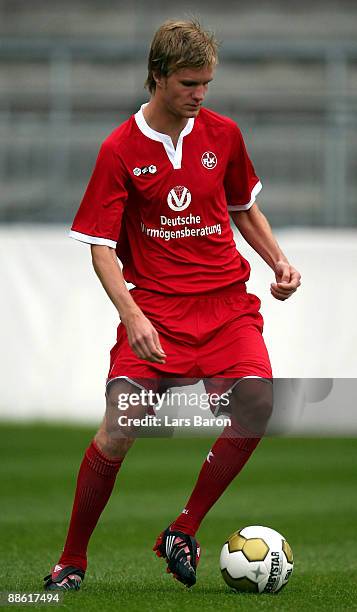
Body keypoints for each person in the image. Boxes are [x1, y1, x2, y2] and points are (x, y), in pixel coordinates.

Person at [44, 19, 301, 591]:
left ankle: (184, 527)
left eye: (207, 83)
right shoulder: (118, 150)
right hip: (158, 311)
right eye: (189, 83)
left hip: (227, 306)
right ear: (158, 76)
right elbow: (101, 249)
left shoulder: (224, 134)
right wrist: (131, 316)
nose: (200, 94)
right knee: (119, 430)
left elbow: (241, 206)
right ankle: (71, 561)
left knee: (257, 404)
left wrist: (277, 262)